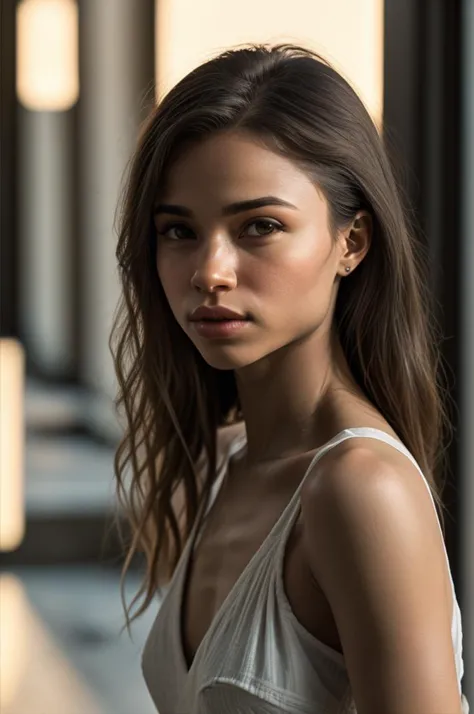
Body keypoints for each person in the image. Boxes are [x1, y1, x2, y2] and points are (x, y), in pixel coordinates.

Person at [109, 44, 469, 714]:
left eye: (260, 226)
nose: (209, 271)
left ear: (351, 243)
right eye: (179, 230)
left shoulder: (363, 491)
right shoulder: (226, 461)